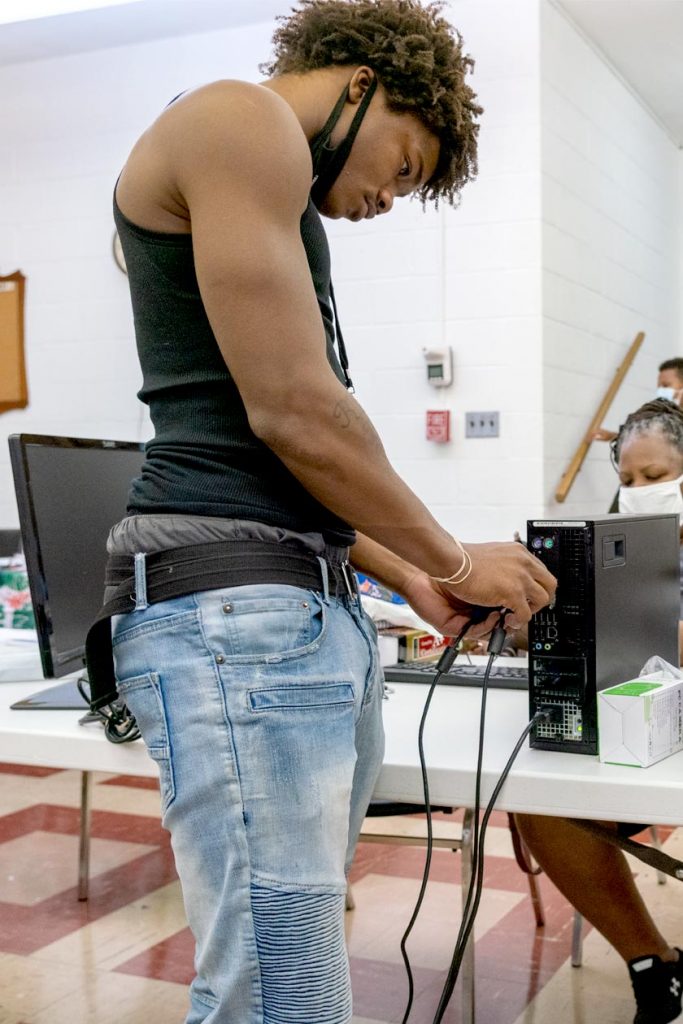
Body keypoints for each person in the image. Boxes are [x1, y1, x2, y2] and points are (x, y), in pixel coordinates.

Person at [96, 2, 557, 1022]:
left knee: (295, 964)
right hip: (233, 606)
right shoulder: (238, 118)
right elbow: (297, 415)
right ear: (361, 82)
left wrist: (411, 578)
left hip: (284, 600)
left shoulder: (269, 181)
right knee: (282, 991)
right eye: (402, 165)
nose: (390, 199)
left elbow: (285, 458)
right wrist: (449, 557)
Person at [516, 397, 683, 1024]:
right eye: (627, 481)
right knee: (542, 796)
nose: (639, 492)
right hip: (638, 722)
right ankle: (652, 963)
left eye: (656, 477)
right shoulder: (617, 551)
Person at [593, 358, 683, 444]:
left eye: (666, 385)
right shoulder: (666, 415)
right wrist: (612, 436)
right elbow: (654, 441)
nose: (660, 390)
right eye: (659, 386)